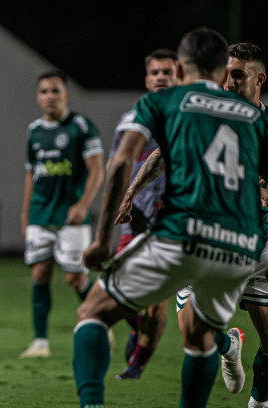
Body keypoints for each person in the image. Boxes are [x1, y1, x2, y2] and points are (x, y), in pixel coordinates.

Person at [50, 28, 268, 408]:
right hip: (239, 247)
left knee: (93, 313)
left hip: (185, 238)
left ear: (183, 68)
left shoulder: (172, 101)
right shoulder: (257, 122)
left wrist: (101, 237)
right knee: (200, 335)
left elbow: (122, 159)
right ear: (219, 71)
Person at [125, 42, 268, 408]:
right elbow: (161, 155)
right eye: (225, 72)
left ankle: (259, 407)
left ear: (259, 78)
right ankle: (227, 345)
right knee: (193, 331)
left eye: (239, 74)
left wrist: (261, 193)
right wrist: (131, 192)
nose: (229, 80)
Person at [19, 69, 104, 358]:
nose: (50, 97)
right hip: (40, 215)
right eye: (44, 91)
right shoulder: (34, 131)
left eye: (55, 91)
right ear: (37, 97)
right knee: (40, 274)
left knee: (75, 278)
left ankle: (101, 324)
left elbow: (97, 170)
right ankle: (40, 342)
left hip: (71, 217)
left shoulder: (81, 126)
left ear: (66, 94)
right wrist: (25, 214)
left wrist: (82, 205)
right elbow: (31, 175)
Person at [111, 49, 178, 380]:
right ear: (147, 78)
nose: (162, 77)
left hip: (174, 224)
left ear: (179, 76)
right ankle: (139, 331)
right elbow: (117, 167)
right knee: (112, 288)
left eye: (168, 71)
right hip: (135, 217)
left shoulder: (187, 119)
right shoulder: (130, 121)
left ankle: (136, 365)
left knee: (159, 303)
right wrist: (120, 202)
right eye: (156, 72)